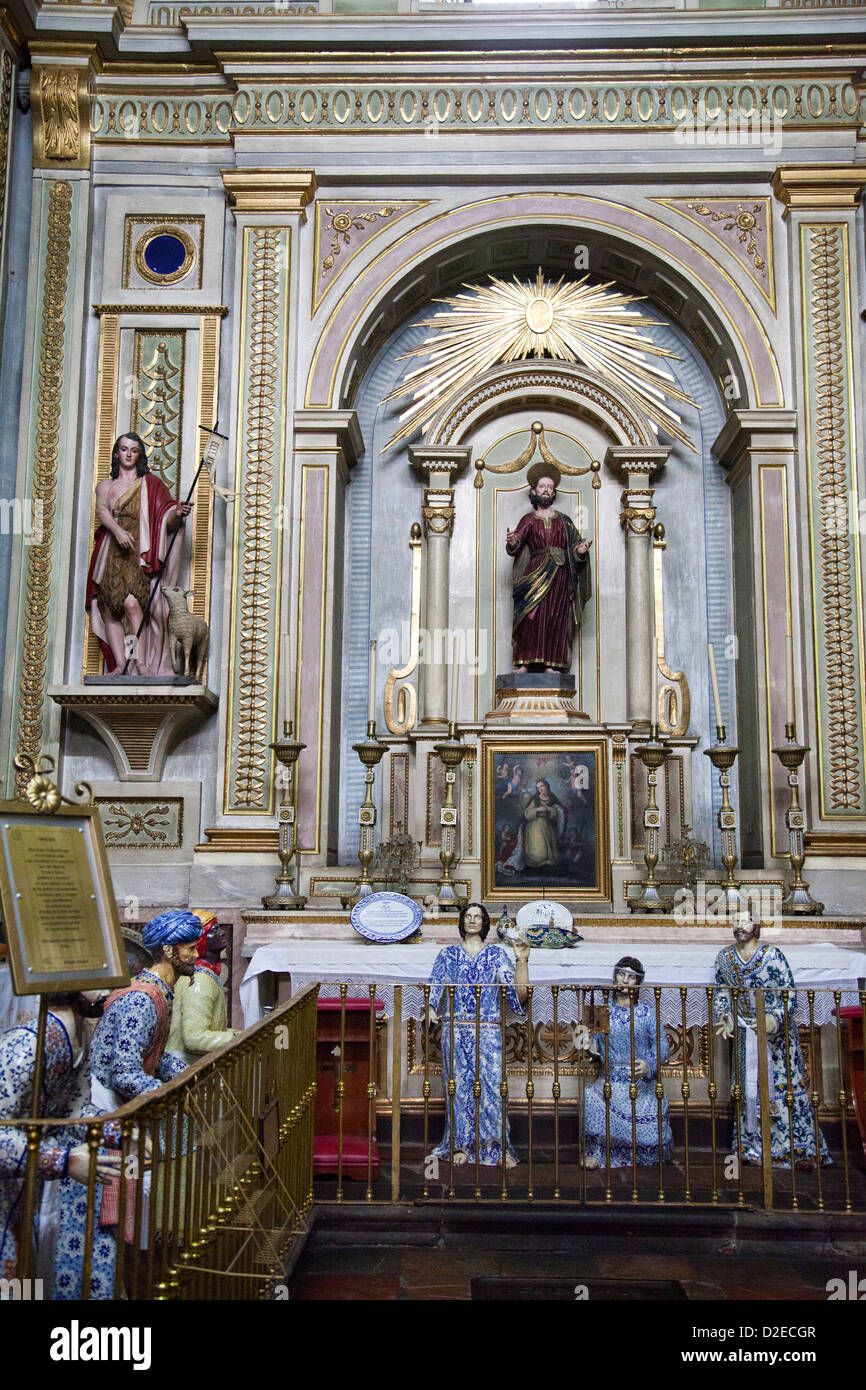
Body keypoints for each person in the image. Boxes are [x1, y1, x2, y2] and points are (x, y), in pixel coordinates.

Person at [53, 909, 202, 1299]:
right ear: (169, 951)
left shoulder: (157, 992)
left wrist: (182, 1073)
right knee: (97, 1232)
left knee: (117, 1225)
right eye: (189, 948)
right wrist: (166, 1094)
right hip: (101, 1117)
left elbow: (151, 1054)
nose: (195, 955)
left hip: (117, 1116)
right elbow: (124, 1071)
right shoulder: (142, 1000)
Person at [0, 994, 121, 1282]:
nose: (111, 989)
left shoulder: (79, 1029)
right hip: (8, 1189)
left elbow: (71, 1107)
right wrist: (63, 1160)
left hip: (22, 1187)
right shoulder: (28, 1043)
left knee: (25, 1275)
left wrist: (120, 1132)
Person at [713, 915, 830, 1170]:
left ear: (756, 927)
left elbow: (788, 994)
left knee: (782, 1089)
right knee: (748, 1088)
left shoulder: (773, 956)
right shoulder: (724, 958)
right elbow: (721, 990)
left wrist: (772, 1020)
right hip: (745, 1033)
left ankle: (795, 1150)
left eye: (745, 921)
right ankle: (750, 1147)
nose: (739, 926)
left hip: (777, 1041)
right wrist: (726, 1017)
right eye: (735, 921)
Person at [428, 902, 529, 1168]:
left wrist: (521, 960)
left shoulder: (497, 955)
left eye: (478, 917)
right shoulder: (448, 955)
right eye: (468, 916)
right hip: (456, 1030)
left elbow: (518, 996)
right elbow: (435, 984)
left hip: (488, 1030)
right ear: (461, 922)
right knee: (459, 1089)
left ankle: (497, 1148)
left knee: (493, 1090)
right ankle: (460, 1145)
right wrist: (429, 1009)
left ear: (485, 923)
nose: (473, 920)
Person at [86, 432, 192, 676]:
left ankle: (140, 662)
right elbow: (102, 511)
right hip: (110, 549)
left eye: (134, 450)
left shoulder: (149, 484)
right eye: (124, 449)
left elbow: (165, 516)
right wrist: (117, 531)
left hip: (137, 548)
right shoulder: (106, 485)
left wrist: (177, 512)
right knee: (110, 609)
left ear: (139, 455)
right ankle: (120, 663)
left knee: (132, 604)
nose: (128, 454)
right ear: (116, 453)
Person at [575, 957, 673, 1169]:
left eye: (631, 977)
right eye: (622, 975)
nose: (625, 980)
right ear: (615, 977)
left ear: (638, 982)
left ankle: (645, 1155)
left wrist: (649, 1065)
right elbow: (590, 1043)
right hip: (609, 1080)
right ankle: (597, 1153)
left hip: (639, 1082)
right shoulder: (601, 1012)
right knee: (591, 1096)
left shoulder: (647, 1013)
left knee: (650, 1105)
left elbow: (661, 1044)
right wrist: (587, 1045)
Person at [505, 462, 591, 673]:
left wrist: (578, 552)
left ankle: (552, 664)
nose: (546, 490)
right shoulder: (528, 520)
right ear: (534, 491)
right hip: (535, 572)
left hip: (560, 575)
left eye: (550, 487)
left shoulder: (565, 521)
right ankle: (524, 663)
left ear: (553, 493)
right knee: (529, 616)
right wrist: (513, 541)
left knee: (555, 618)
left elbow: (572, 550)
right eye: (542, 486)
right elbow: (515, 545)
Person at [166, 911, 237, 1062]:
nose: (222, 932)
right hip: (186, 1065)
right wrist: (236, 1037)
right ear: (201, 940)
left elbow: (211, 1029)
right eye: (214, 930)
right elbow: (195, 1038)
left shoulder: (204, 975)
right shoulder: (199, 980)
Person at [501, 777, 567, 875]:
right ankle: (535, 867)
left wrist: (549, 809)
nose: (541, 789)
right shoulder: (535, 799)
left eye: (542, 786)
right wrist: (538, 810)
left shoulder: (552, 799)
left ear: (547, 786)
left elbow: (557, 814)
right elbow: (527, 814)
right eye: (538, 788)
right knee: (538, 851)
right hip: (534, 829)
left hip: (549, 829)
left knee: (551, 854)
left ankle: (547, 867)